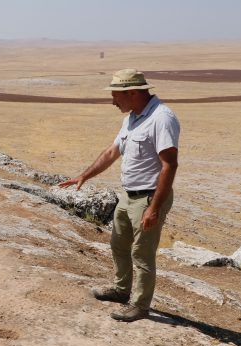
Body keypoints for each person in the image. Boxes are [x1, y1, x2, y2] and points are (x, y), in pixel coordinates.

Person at [59, 69, 180, 322]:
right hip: (128, 196)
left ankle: (140, 306)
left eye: (116, 96)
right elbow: (112, 152)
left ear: (133, 93)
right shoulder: (132, 117)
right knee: (118, 245)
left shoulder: (162, 118)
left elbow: (169, 165)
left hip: (149, 197)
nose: (113, 101)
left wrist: (154, 208)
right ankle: (121, 290)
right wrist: (84, 175)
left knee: (142, 253)